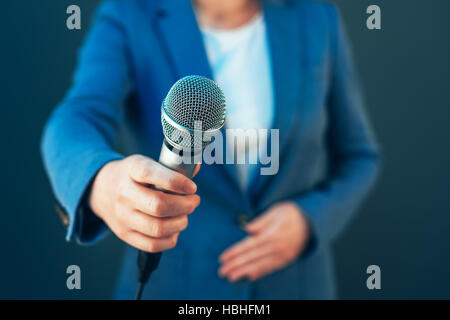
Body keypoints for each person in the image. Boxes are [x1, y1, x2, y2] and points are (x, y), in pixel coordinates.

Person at [41, 0, 380, 299]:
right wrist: (101, 181)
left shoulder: (317, 18)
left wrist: (310, 221)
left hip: (294, 286)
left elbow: (359, 156)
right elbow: (77, 117)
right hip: (173, 286)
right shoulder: (130, 13)